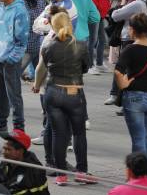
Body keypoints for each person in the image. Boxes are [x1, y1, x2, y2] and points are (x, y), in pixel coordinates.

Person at [37, 12, 95, 186]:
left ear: (53, 26)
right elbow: (86, 67)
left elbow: (44, 67)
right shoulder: (80, 45)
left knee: (57, 133)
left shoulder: (47, 46)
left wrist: (36, 83)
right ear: (69, 24)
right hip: (74, 92)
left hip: (53, 91)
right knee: (79, 133)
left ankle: (61, 174)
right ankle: (81, 171)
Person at [115, 13, 147, 175]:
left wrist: (123, 84)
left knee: (138, 138)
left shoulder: (130, 49)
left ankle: (140, 176)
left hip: (134, 97)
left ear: (132, 29)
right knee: (145, 136)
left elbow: (118, 72)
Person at [0, 0, 29, 132]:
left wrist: (12, 59)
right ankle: (1, 125)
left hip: (9, 61)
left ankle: (19, 128)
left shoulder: (20, 10)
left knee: (14, 96)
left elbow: (22, 39)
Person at [105, 0, 147, 106]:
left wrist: (118, 9)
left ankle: (116, 95)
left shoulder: (137, 4)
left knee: (121, 68)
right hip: (144, 39)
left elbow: (115, 15)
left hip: (130, 39)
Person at [0, 129, 49, 195]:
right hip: (11, 192)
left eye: (8, 149)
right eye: (4, 148)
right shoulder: (5, 162)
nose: (4, 152)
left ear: (20, 151)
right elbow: (2, 185)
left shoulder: (34, 169)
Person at [81, 0, 111, 75]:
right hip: (93, 12)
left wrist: (106, 6)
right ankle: (89, 65)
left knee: (102, 39)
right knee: (92, 39)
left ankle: (98, 63)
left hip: (101, 11)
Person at [17, 0, 47, 80]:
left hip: (27, 44)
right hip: (39, 41)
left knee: (14, 73)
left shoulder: (20, 3)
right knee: (40, 72)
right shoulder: (40, 1)